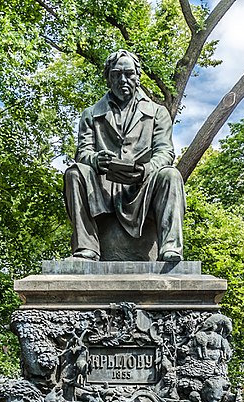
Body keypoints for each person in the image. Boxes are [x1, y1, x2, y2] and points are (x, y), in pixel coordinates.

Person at [63, 50, 184, 262]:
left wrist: (146, 169)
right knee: (75, 172)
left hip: (142, 188)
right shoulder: (91, 114)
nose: (123, 80)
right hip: (102, 187)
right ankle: (86, 248)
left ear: (138, 77)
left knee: (171, 175)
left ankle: (170, 248)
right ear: (108, 78)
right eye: (116, 74)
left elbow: (165, 152)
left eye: (129, 74)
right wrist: (95, 160)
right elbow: (83, 152)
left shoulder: (158, 112)